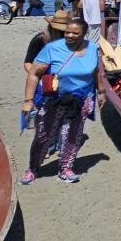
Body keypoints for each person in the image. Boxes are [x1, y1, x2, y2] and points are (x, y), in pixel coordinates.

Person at [21, 15, 98, 184]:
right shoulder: (52, 48)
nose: (70, 35)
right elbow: (34, 73)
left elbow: (97, 72)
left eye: (75, 33)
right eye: (68, 32)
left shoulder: (93, 48)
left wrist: (102, 93)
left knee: (72, 135)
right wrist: (28, 101)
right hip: (54, 99)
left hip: (80, 100)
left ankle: (66, 168)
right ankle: (33, 168)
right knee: (43, 136)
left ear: (84, 34)